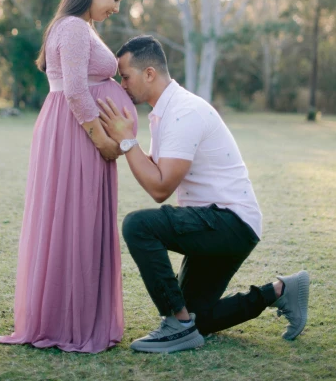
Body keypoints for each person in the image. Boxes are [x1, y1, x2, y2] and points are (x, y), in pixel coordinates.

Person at [98, 35, 310, 353]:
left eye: (125, 76)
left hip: (228, 221)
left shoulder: (185, 112)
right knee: (201, 319)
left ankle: (176, 324)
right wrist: (123, 141)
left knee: (137, 225)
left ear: (150, 74)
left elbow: (160, 188)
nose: (122, 84)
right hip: (220, 222)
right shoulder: (164, 113)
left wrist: (128, 141)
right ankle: (280, 290)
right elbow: (156, 173)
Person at [0, 0, 138, 353]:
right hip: (77, 133)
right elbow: (76, 89)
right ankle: (67, 321)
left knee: (74, 220)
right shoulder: (75, 27)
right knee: (75, 220)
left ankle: (71, 313)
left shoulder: (81, 26)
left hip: (71, 129)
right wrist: (104, 142)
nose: (117, 7)